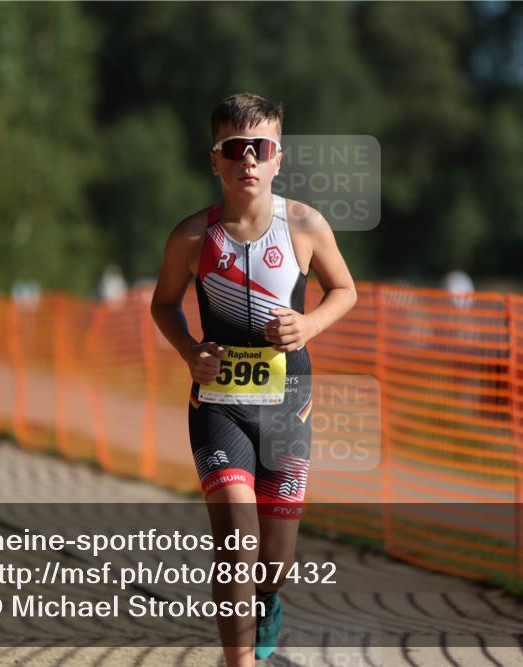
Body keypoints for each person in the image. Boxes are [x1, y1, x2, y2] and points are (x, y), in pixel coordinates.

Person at [150, 93, 357, 665]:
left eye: (259, 149)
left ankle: (268, 598)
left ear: (277, 158)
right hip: (218, 404)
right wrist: (191, 351)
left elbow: (347, 290)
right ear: (214, 159)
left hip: (289, 404)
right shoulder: (192, 238)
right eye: (235, 149)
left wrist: (308, 323)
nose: (248, 161)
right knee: (236, 539)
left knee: (273, 561)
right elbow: (163, 304)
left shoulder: (305, 225)